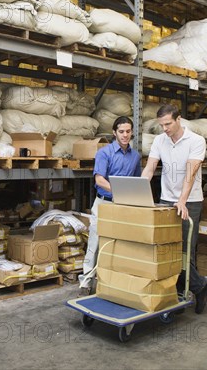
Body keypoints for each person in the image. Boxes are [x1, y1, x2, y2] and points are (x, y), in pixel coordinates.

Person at [141, 104, 207, 314]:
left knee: (184, 251)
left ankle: (196, 288)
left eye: (168, 124)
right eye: (161, 125)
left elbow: (190, 174)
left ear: (178, 120)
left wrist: (182, 200)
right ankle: (187, 290)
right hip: (165, 200)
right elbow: (150, 167)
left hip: (189, 201)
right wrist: (140, 191)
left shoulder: (196, 141)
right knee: (166, 250)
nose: (165, 128)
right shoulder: (159, 140)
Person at [78, 116, 141, 296]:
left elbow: (136, 181)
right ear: (114, 133)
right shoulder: (104, 153)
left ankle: (113, 282)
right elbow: (99, 180)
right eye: (121, 132)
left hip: (123, 205)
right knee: (95, 243)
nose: (125, 135)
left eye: (128, 131)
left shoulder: (135, 157)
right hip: (104, 203)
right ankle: (86, 282)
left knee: (120, 244)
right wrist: (119, 189)